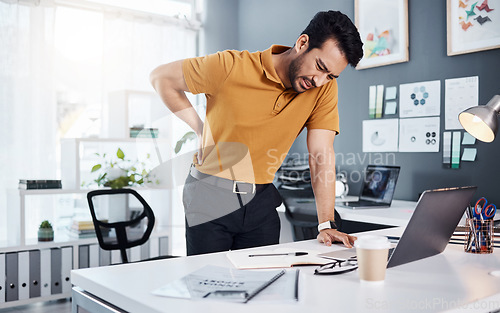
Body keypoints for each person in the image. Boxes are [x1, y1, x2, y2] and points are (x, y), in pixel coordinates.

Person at [150, 10, 363, 256]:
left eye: (331, 76)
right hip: (208, 195)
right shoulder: (231, 66)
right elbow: (161, 78)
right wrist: (200, 129)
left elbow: (321, 153)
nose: (319, 81)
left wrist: (326, 224)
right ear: (302, 43)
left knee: (264, 283)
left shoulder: (323, 89)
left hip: (260, 199)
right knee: (209, 284)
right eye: (320, 67)